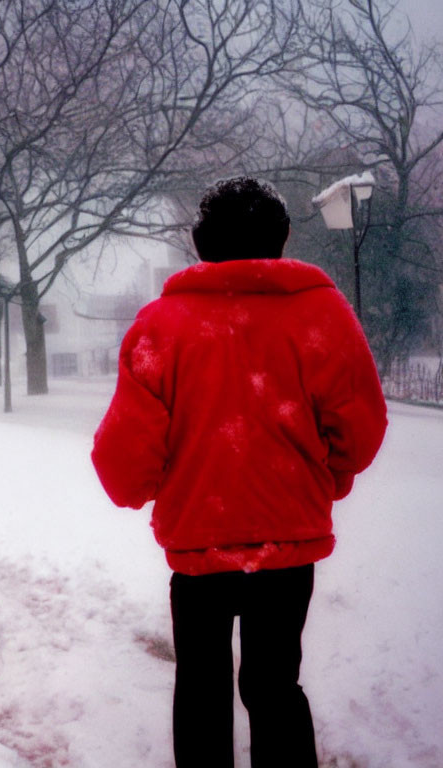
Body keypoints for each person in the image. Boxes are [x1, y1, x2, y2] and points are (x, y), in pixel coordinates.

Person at [91, 177, 387, 768]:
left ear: (202, 243)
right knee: (275, 684)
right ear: (280, 238)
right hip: (288, 539)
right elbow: (360, 429)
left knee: (201, 685)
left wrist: (145, 489)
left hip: (200, 540)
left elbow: (124, 460)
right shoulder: (323, 315)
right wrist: (328, 478)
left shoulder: (161, 327)